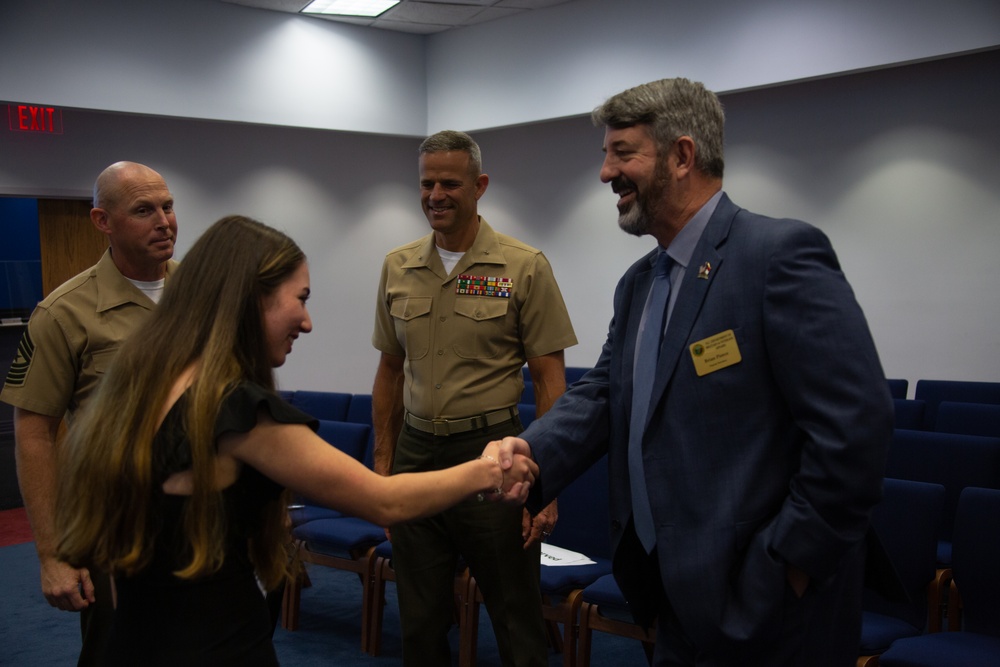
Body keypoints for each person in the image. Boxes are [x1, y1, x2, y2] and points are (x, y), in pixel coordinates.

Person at [495, 78, 894, 666]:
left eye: (622, 152)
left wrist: (790, 565)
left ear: (682, 156)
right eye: (606, 154)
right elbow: (605, 395)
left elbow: (855, 427)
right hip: (670, 591)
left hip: (768, 603)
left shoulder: (777, 256)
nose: (606, 173)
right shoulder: (639, 283)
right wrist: (528, 452)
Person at [54, 215, 535, 666]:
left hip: (134, 642)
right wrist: (491, 468)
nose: (306, 322)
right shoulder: (234, 410)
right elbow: (384, 502)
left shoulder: (140, 385)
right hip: (214, 647)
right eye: (300, 298)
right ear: (251, 300)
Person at [371, 130, 577, 666]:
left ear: (479, 186)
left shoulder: (523, 265)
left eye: (449, 183)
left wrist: (546, 480)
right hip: (417, 456)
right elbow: (390, 371)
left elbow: (549, 378)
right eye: (426, 183)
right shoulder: (398, 267)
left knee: (515, 614)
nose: (435, 195)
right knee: (418, 619)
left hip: (496, 457)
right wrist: (384, 463)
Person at [1, 161, 178, 666]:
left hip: (201, 515)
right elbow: (34, 433)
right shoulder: (63, 313)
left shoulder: (201, 295)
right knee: (117, 651)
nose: (164, 221)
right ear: (103, 221)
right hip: (115, 524)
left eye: (167, 206)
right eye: (144, 210)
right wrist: (51, 554)